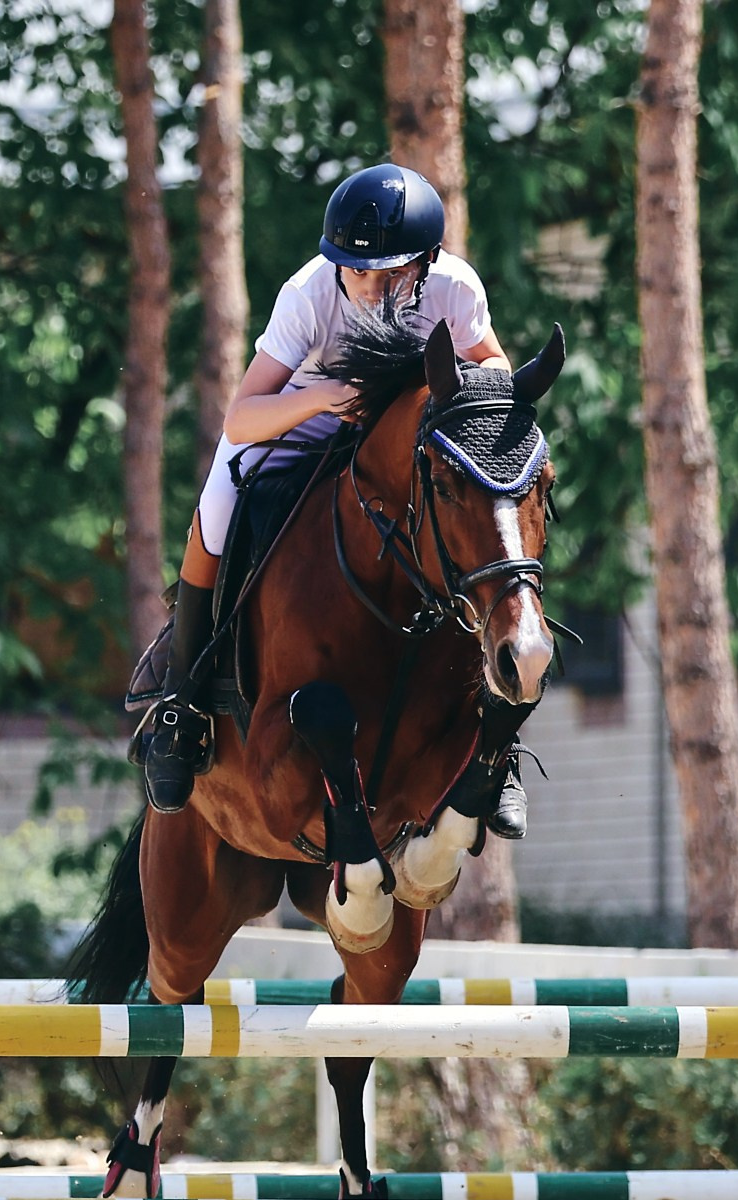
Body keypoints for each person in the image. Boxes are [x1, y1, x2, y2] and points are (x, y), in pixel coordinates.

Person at [130, 161, 530, 836]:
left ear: (429, 261)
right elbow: (242, 416)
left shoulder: (455, 287)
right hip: (306, 416)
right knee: (217, 508)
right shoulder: (310, 293)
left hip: (405, 428)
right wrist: (319, 397)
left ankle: (497, 738)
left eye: (391, 273)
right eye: (358, 271)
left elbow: (495, 367)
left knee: (479, 519)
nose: (370, 288)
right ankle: (183, 703)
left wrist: (447, 393)